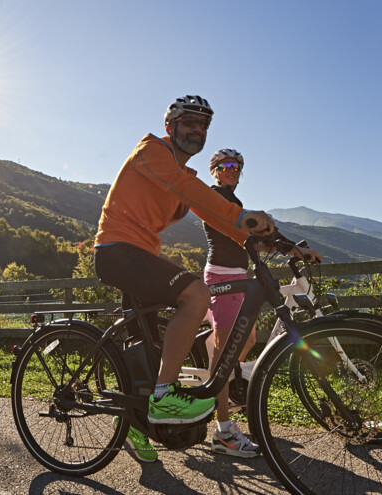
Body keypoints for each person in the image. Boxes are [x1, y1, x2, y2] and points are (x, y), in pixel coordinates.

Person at [93, 95, 275, 463]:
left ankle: (137, 419)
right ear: (170, 126)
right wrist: (241, 217)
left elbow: (215, 213)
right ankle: (164, 396)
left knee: (146, 347)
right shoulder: (151, 151)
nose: (197, 130)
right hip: (116, 250)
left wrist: (268, 240)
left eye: (204, 125)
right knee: (196, 294)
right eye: (189, 122)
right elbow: (193, 193)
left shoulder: (186, 176)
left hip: (142, 257)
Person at [200, 148, 323, 458]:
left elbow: (258, 236)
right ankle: (223, 431)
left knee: (249, 338)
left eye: (237, 166)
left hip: (238, 274)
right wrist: (285, 246)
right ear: (215, 170)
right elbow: (247, 232)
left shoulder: (235, 201)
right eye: (226, 165)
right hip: (222, 275)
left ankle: (226, 383)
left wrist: (294, 250)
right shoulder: (216, 197)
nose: (232, 169)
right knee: (225, 354)